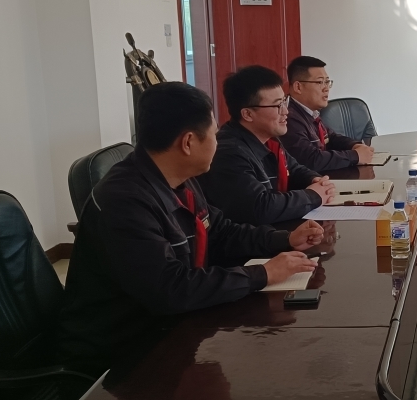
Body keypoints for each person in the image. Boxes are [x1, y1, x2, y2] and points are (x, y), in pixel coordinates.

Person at [58, 82, 323, 375]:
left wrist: (284, 238)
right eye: (213, 135)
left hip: (173, 324)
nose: (218, 143)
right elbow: (170, 288)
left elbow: (220, 231)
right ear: (188, 143)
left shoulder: (178, 178)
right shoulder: (125, 202)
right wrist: (262, 274)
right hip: (124, 355)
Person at [199, 65, 336, 225]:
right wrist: (313, 196)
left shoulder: (269, 138)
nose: (286, 111)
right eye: (277, 106)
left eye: (284, 101)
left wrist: (315, 180)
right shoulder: (229, 153)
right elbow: (260, 207)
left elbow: (294, 169)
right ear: (248, 114)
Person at [282, 56, 375, 172]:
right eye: (320, 82)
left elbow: (330, 137)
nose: (326, 89)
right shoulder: (288, 117)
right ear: (298, 87)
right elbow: (311, 160)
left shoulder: (310, 112)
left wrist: (354, 145)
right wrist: (355, 156)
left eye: (327, 82)